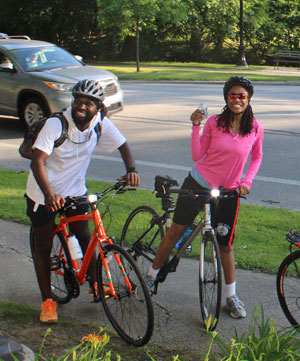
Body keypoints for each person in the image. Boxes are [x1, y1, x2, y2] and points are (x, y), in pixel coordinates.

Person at [149, 76, 264, 319]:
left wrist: (247, 181)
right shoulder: (214, 122)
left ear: (249, 99)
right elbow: (196, 154)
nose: (237, 99)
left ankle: (231, 296)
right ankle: (151, 276)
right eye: (232, 95)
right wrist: (195, 127)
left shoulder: (255, 128)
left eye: (242, 95)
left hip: (229, 192)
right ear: (226, 98)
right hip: (199, 183)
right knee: (175, 231)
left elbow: (257, 157)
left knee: (226, 245)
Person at [26, 79, 140, 323]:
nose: (82, 106)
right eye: (78, 100)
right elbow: (37, 161)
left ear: (99, 107)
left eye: (89, 103)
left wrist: (131, 169)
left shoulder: (100, 123)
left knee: (87, 238)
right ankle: (47, 300)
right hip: (43, 191)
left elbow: (122, 145)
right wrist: (48, 194)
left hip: (75, 190)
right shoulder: (56, 125)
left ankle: (96, 285)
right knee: (43, 245)